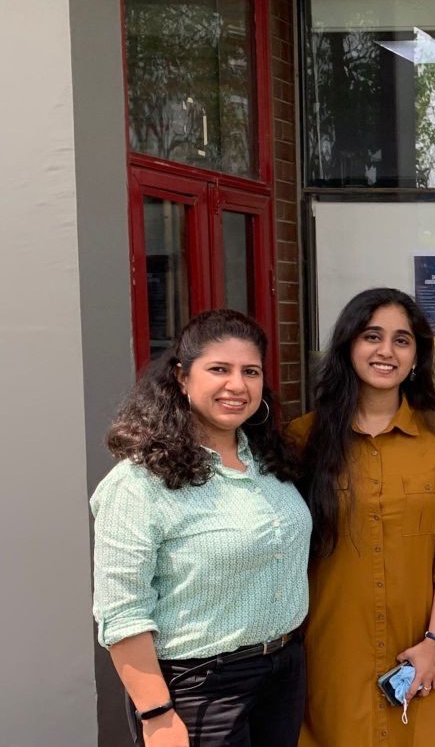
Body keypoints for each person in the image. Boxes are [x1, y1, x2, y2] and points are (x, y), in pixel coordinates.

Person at [91, 309, 311, 747]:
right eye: (218, 369)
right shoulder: (139, 483)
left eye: (250, 371)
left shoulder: (269, 462)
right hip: (200, 687)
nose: (237, 385)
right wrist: (155, 712)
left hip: (283, 672)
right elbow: (122, 612)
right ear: (182, 377)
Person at [288, 288, 435, 747]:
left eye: (402, 340)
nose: (386, 351)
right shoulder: (303, 440)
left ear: (416, 356)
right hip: (332, 646)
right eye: (371, 336)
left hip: (422, 644)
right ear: (348, 347)